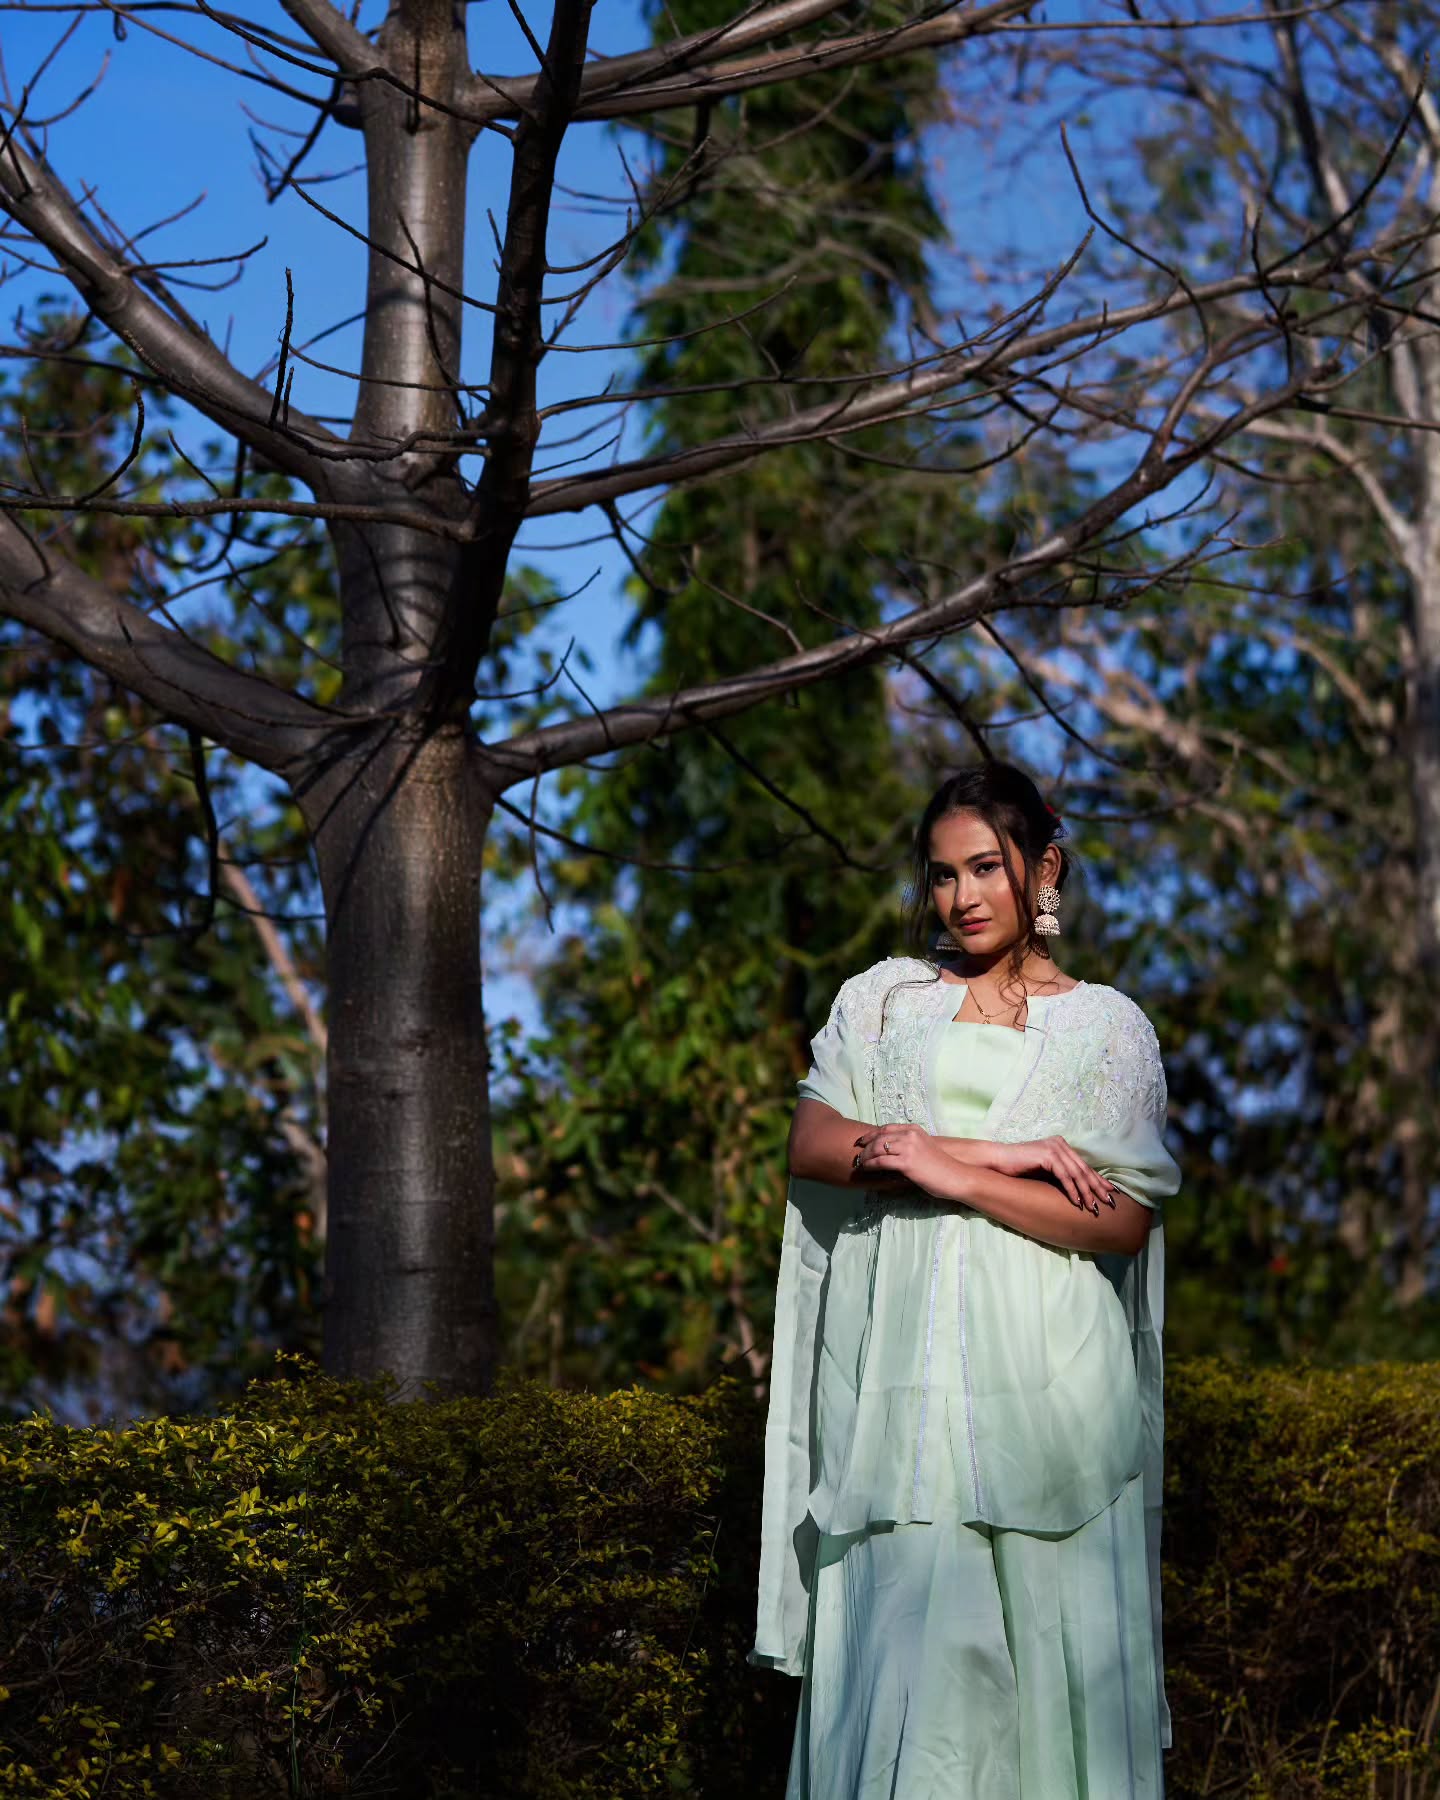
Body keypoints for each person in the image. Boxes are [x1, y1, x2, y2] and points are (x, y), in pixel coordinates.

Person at [751, 762, 1182, 1799]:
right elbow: (814, 1142)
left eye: (986, 867)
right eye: (943, 876)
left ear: (1044, 867)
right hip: (903, 1384)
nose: (964, 897)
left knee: (1051, 1655)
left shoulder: (1108, 1026)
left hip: (1049, 1385)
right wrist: (997, 1152)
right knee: (912, 1656)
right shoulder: (887, 998)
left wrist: (946, 1171)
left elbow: (1120, 1221)